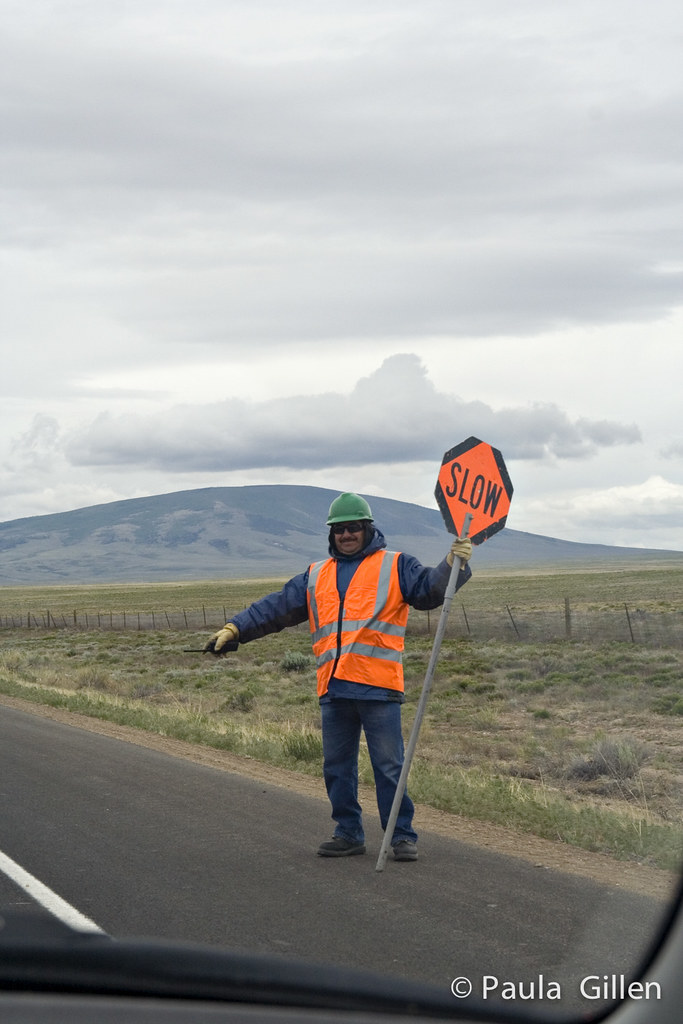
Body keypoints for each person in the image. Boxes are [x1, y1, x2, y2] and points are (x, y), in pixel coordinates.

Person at [204, 492, 472, 862]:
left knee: (389, 767)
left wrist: (451, 563)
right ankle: (348, 833)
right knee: (336, 767)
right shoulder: (316, 575)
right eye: (339, 529)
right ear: (332, 534)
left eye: (353, 528)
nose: (346, 535)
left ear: (367, 529)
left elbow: (430, 591)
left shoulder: (395, 566)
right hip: (334, 688)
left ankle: (401, 836)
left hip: (378, 688)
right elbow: (276, 607)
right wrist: (235, 628)